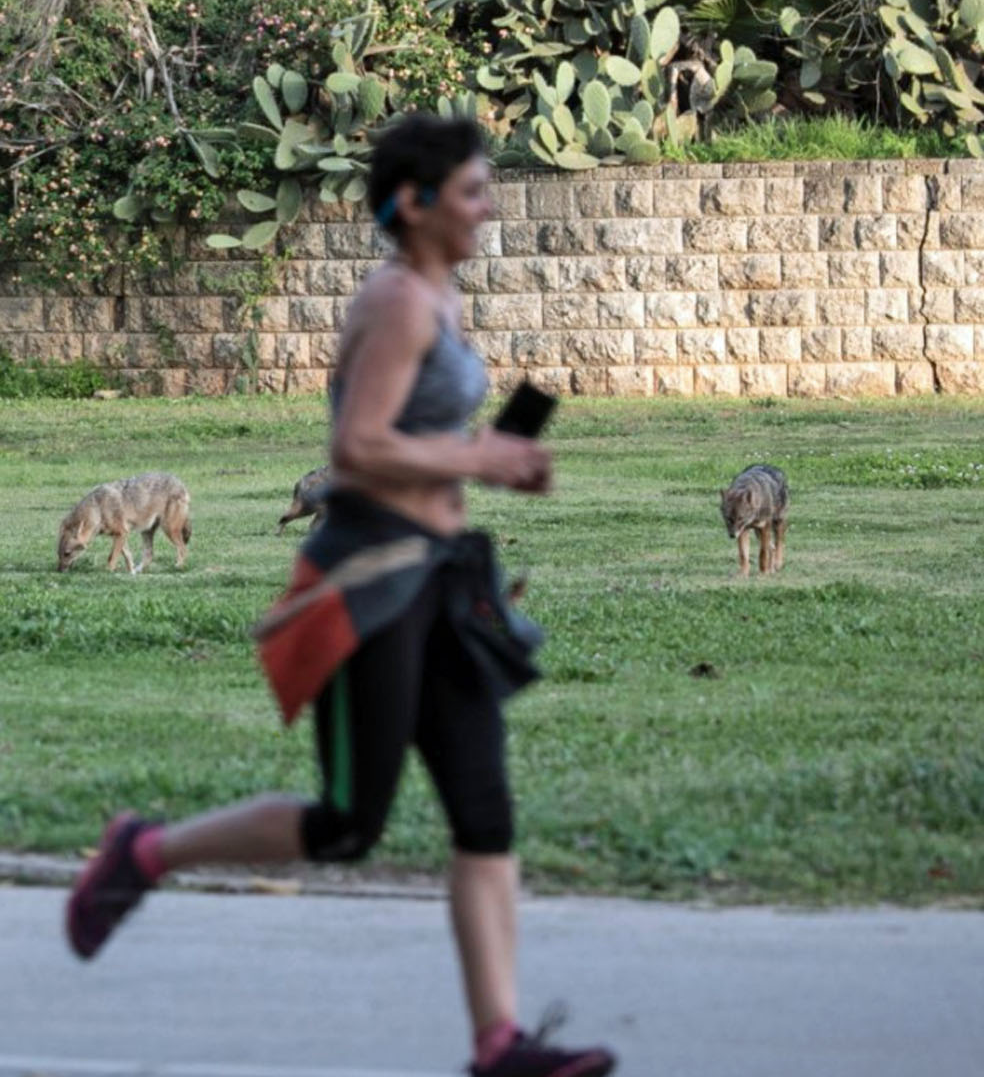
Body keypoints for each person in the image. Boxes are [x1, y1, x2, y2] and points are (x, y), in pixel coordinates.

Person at [62, 113, 616, 1077]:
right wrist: (481, 452)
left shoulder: (438, 298)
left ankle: (500, 1044)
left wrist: (490, 458)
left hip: (443, 580)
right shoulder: (397, 301)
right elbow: (355, 450)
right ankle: (143, 853)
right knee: (350, 823)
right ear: (416, 203)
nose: (488, 207)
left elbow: (421, 438)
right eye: (474, 191)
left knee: (484, 814)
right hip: (373, 582)